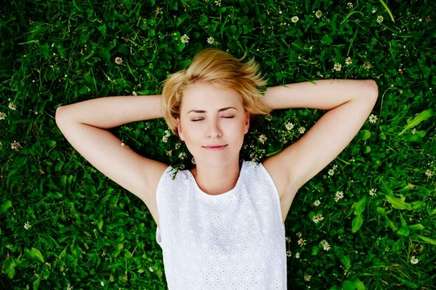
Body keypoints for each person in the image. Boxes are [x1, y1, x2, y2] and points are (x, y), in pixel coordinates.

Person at [55, 47, 378, 289]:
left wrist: (249, 97)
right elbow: (71, 119)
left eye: (228, 115)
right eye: (197, 118)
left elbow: (361, 95)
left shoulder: (272, 185)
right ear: (179, 129)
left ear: (246, 121)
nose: (213, 130)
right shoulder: (164, 191)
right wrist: (176, 103)